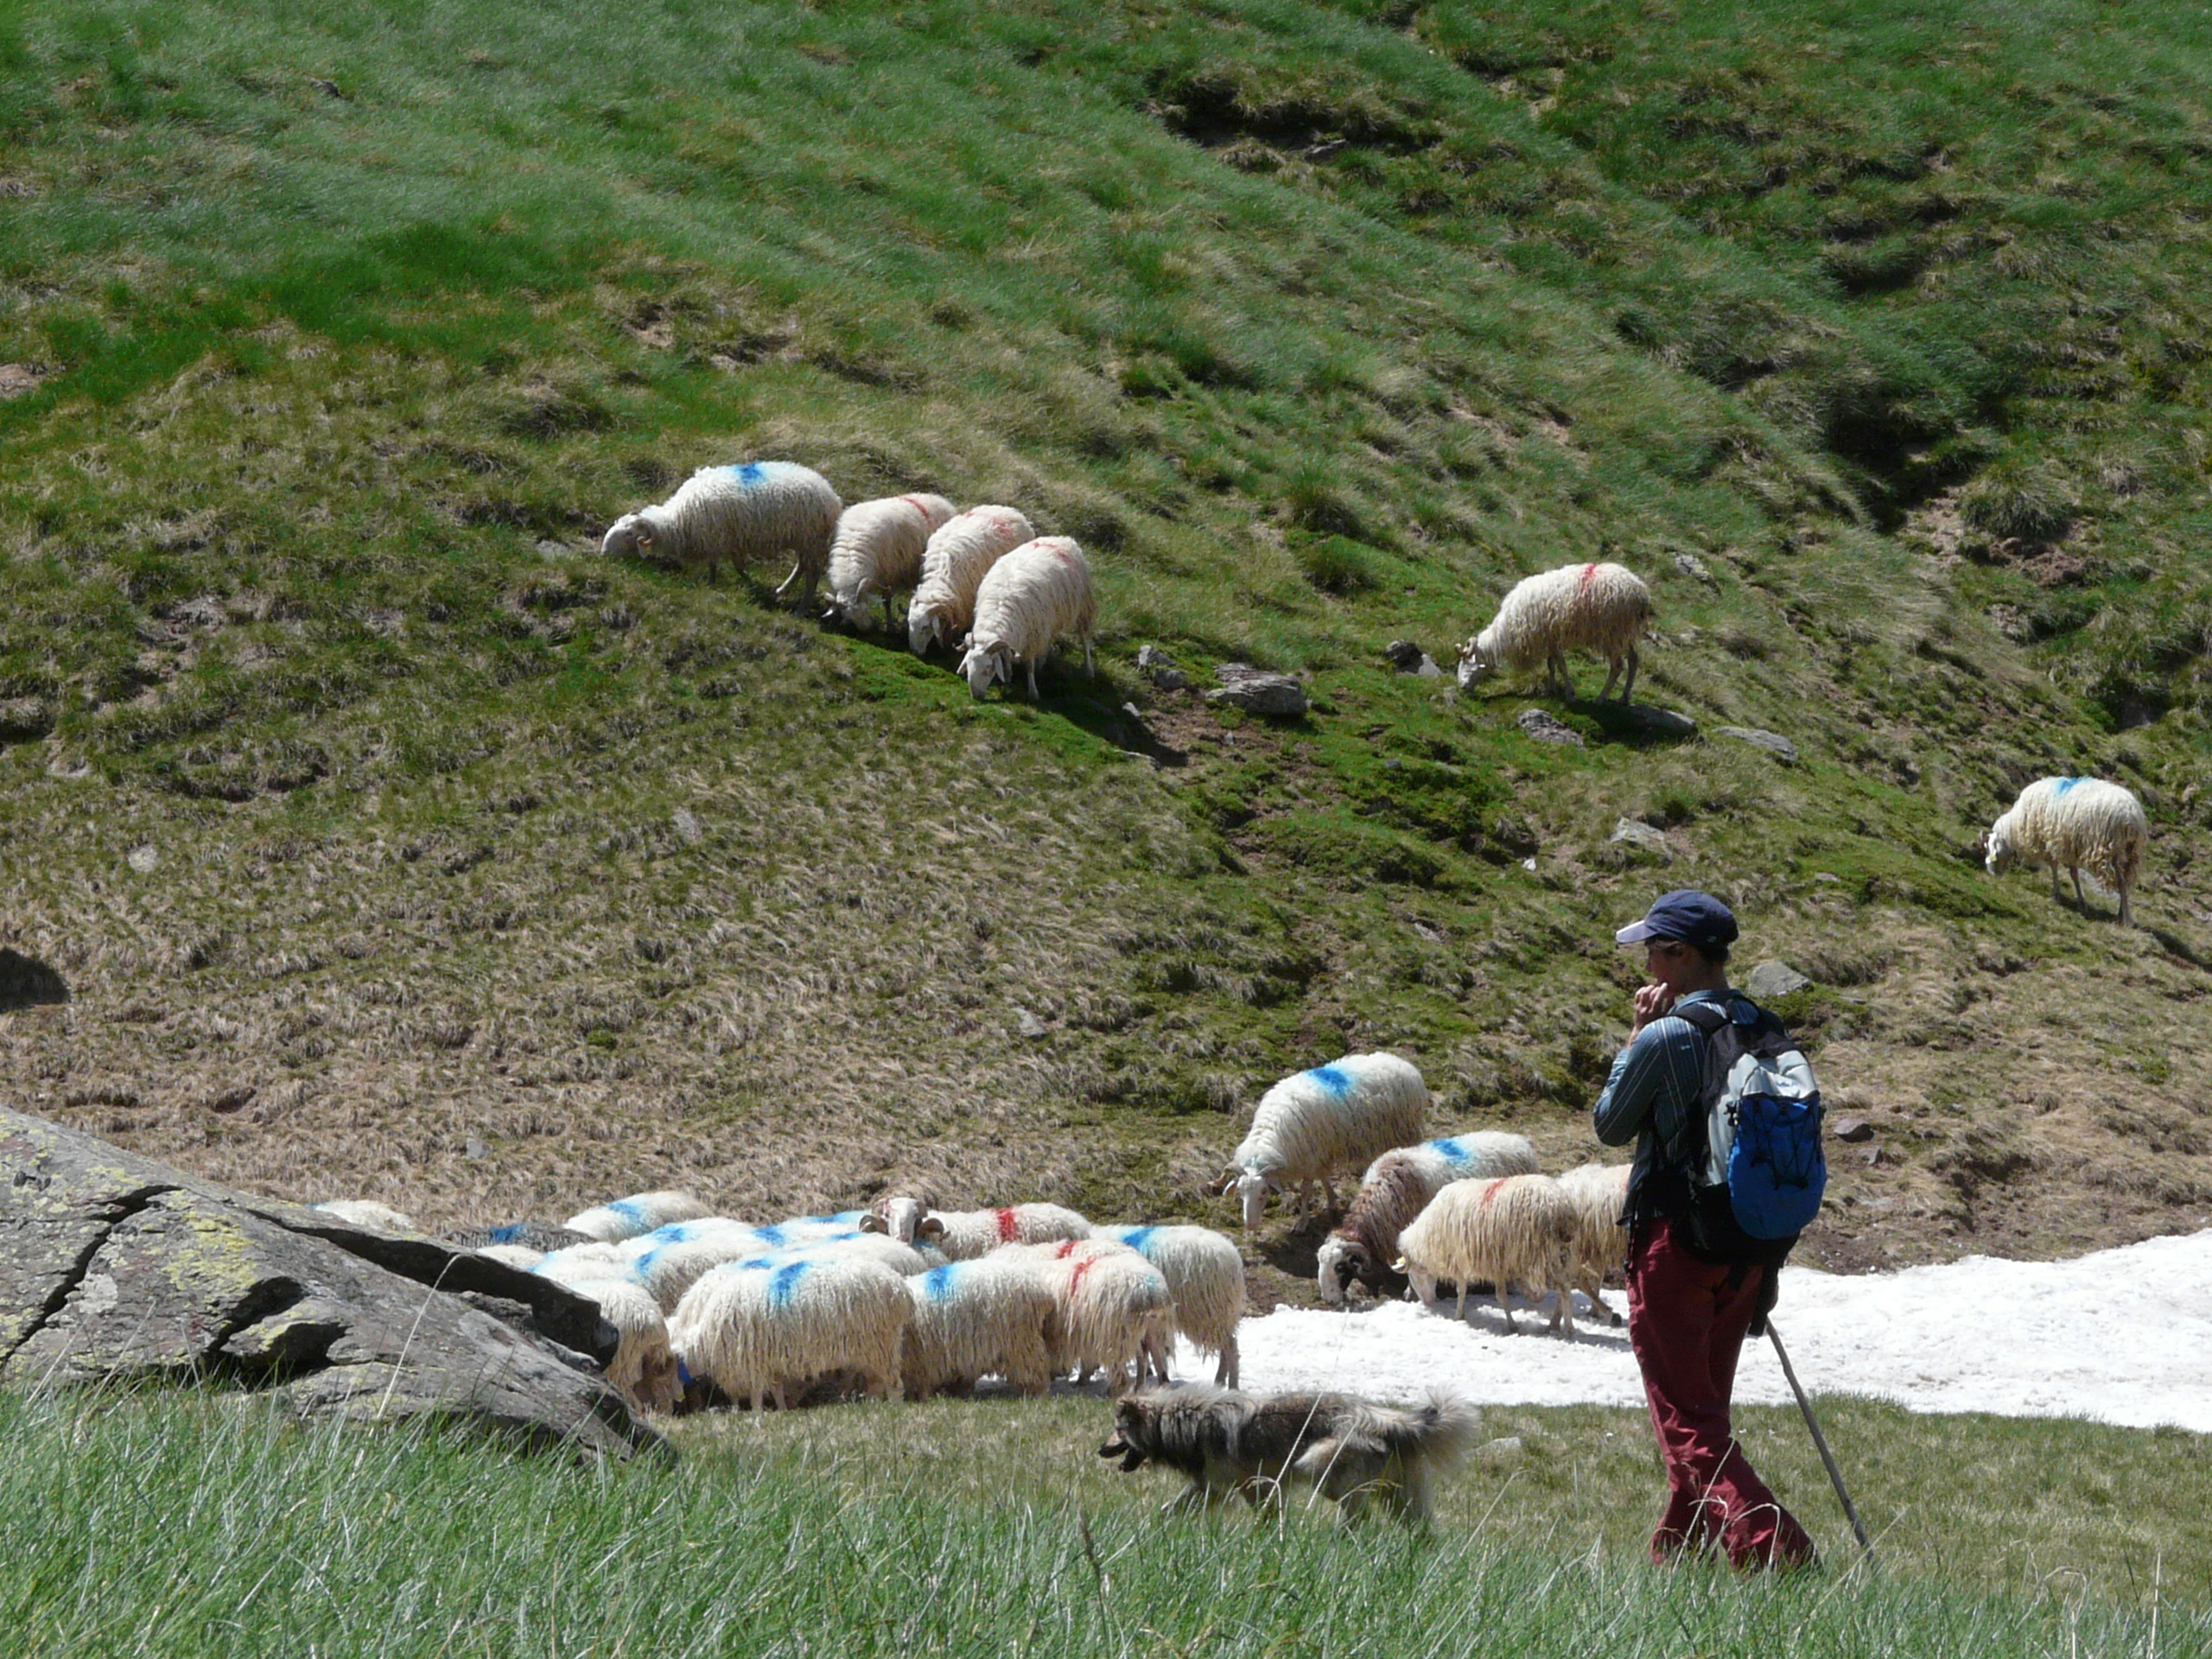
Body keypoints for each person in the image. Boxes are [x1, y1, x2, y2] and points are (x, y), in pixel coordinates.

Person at [1592, 888, 1815, 1571]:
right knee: (1704, 1411)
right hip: (1749, 1249)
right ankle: (1676, 1563)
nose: (1647, 965)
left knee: (1686, 1422)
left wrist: (1635, 1038)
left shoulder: (1668, 1034)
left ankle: (1778, 1551)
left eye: (1655, 951)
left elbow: (1611, 1125)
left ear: (1683, 956)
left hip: (1672, 1245)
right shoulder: (1765, 1026)